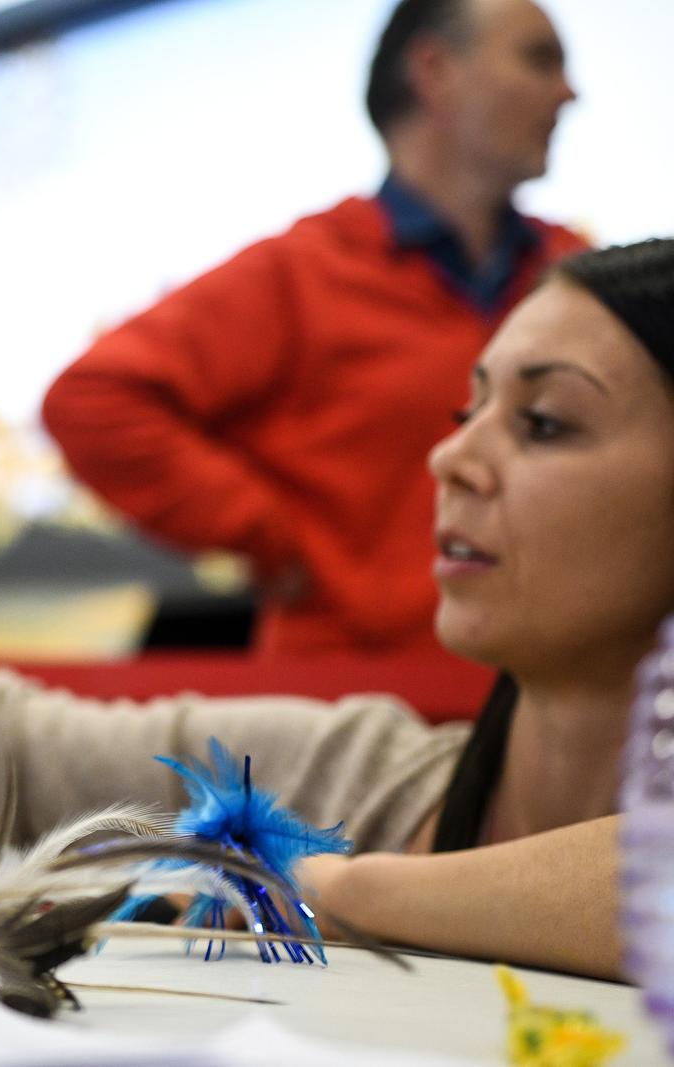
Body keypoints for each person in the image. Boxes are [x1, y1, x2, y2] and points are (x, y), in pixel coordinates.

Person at [0, 239, 674, 982]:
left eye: (544, 422)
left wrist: (349, 892)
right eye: (467, 413)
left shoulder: (339, 837)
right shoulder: (356, 775)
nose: (451, 458)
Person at [41, 0, 586, 658]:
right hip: (352, 690)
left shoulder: (575, 273)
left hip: (556, 688)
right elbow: (92, 399)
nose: (569, 93)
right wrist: (271, 534)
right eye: (539, 60)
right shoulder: (303, 271)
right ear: (435, 71)